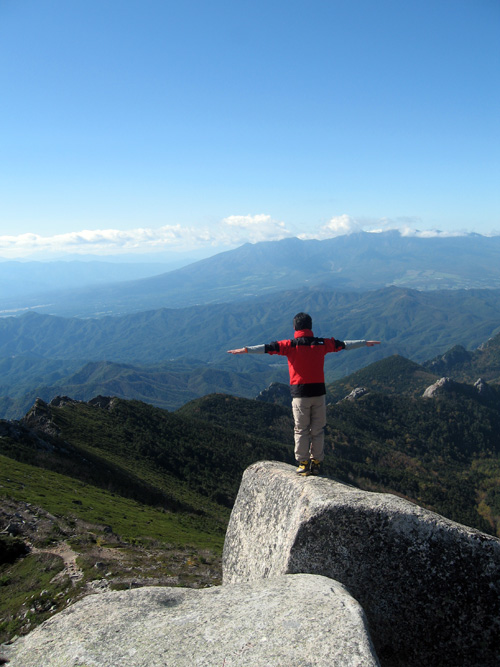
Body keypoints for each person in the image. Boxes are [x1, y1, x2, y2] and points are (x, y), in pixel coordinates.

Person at [227, 312, 380, 476]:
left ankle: (303, 462)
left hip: (300, 395)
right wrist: (364, 343)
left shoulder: (290, 345)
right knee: (318, 430)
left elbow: (267, 348)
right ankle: (316, 462)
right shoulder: (322, 343)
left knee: (301, 429)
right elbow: (344, 344)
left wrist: (246, 350)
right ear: (310, 327)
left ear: (294, 327)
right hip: (319, 394)